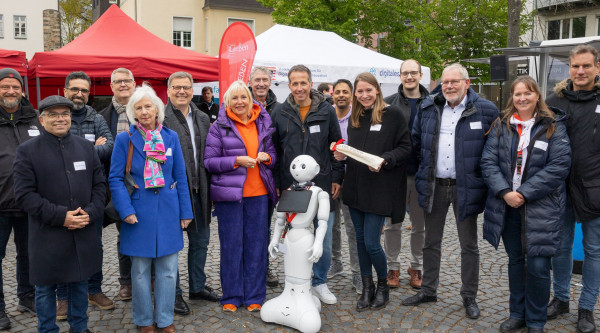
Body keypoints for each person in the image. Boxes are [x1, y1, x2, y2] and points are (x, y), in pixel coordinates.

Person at [402, 63, 498, 319]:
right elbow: (416, 143)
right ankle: (429, 290)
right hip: (434, 185)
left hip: (465, 188)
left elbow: (494, 151)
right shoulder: (428, 107)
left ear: (467, 83)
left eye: (455, 82)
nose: (449, 86)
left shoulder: (485, 110)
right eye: (445, 82)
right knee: (430, 242)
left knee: (469, 245)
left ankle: (469, 296)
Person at [481, 76, 571, 333]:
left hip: (542, 207)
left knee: (539, 266)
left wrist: (524, 193)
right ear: (512, 97)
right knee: (516, 261)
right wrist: (505, 192)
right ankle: (517, 313)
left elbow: (559, 166)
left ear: (537, 96)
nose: (522, 98)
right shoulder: (501, 125)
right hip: (508, 206)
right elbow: (488, 162)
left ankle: (535, 320)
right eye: (518, 94)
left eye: (528, 93)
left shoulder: (553, 125)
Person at [13, 95, 105, 333]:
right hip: (47, 232)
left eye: (64, 114)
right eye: (53, 114)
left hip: (82, 230)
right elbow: (24, 195)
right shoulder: (27, 151)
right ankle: (47, 329)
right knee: (45, 289)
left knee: (79, 284)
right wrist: (61, 216)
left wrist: (91, 213)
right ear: (42, 120)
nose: (60, 119)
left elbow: (99, 186)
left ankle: (80, 327)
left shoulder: (85, 147)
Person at [108, 84, 193, 333]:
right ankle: (144, 320)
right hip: (138, 212)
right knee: (140, 271)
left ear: (157, 109)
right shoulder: (125, 139)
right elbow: (114, 178)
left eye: (148, 106)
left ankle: (165, 319)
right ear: (133, 113)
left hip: (168, 210)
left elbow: (180, 175)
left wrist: (186, 211)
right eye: (139, 108)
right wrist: (125, 211)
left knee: (168, 271)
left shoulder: (170, 137)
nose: (144, 112)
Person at [333, 73, 411, 311]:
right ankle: (367, 289)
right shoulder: (356, 116)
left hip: (379, 189)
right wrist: (342, 155)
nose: (364, 95)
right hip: (356, 188)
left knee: (371, 242)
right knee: (359, 241)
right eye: (360, 91)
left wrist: (385, 159)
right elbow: (356, 151)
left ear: (377, 90)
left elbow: (406, 148)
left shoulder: (393, 114)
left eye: (368, 90)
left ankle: (383, 286)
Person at [270, 64, 344, 305]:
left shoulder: (326, 110)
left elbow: (336, 145)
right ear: (289, 85)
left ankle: (320, 281)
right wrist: (280, 183)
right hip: (292, 186)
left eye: (304, 83)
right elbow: (276, 151)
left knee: (324, 234)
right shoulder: (280, 112)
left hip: (322, 183)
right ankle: (297, 281)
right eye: (295, 83)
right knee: (294, 235)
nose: (299, 87)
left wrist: (336, 177)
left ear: (311, 84)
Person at [204, 80, 277, 312]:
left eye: (243, 97)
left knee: (256, 246)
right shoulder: (218, 127)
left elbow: (274, 155)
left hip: (259, 195)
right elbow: (210, 162)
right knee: (231, 246)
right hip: (230, 197)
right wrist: (236, 161)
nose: (239, 102)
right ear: (226, 102)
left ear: (250, 99)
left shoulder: (263, 122)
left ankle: (255, 295)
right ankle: (232, 296)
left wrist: (268, 158)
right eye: (234, 98)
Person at [545, 44, 600, 333]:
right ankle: (562, 299)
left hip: (595, 189)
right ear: (569, 69)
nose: (580, 71)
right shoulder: (555, 101)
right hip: (560, 189)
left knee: (594, 250)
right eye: (576, 66)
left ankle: (587, 308)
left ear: (597, 68)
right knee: (561, 248)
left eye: (586, 66)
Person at [56, 71, 115, 317]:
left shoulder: (96, 117)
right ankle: (62, 297)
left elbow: (109, 146)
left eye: (84, 90)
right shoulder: (57, 115)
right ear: (65, 90)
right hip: (60, 191)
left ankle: (94, 289)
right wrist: (91, 149)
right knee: (62, 245)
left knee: (94, 245)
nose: (79, 94)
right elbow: (53, 150)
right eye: (75, 89)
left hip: (92, 192)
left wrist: (78, 152)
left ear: (88, 94)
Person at [162, 71, 220, 316]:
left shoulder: (203, 117)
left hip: (201, 190)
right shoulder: (160, 118)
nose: (182, 91)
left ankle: (197, 286)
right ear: (168, 91)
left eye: (186, 87)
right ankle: (172, 294)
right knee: (172, 247)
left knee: (201, 242)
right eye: (177, 87)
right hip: (173, 194)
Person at [382, 59, 429, 289]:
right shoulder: (388, 104)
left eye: (413, 73)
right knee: (393, 224)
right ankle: (393, 267)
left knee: (419, 225)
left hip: (422, 174)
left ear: (420, 75)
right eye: (405, 73)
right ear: (400, 76)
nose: (409, 77)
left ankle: (416, 267)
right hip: (395, 175)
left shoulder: (432, 103)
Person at [0, 68, 37, 329]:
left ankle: (27, 296)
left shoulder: (34, 118)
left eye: (15, 86)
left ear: (22, 89)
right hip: (0, 205)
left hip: (28, 204)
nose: (11, 91)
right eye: (5, 87)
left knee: (28, 254)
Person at [99, 68, 136, 302]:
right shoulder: (102, 116)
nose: (123, 84)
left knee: (144, 230)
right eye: (118, 81)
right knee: (125, 234)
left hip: (145, 182)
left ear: (134, 84)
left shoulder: (146, 108)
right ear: (111, 86)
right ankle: (126, 282)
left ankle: (150, 278)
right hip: (115, 183)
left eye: (127, 81)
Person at [328, 78, 362, 294]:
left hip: (353, 180)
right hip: (330, 180)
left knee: (352, 228)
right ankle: (335, 262)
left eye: (345, 92)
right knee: (331, 226)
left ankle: (358, 273)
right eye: (337, 91)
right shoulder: (328, 115)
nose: (341, 95)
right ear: (333, 94)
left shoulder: (358, 118)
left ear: (351, 95)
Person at [249, 66, 281, 288]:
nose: (261, 83)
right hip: (246, 177)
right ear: (250, 82)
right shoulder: (240, 103)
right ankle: (248, 267)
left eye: (264, 80)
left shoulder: (278, 108)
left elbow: (279, 147)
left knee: (265, 226)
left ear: (270, 82)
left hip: (269, 177)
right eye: (257, 80)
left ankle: (264, 266)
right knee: (246, 227)